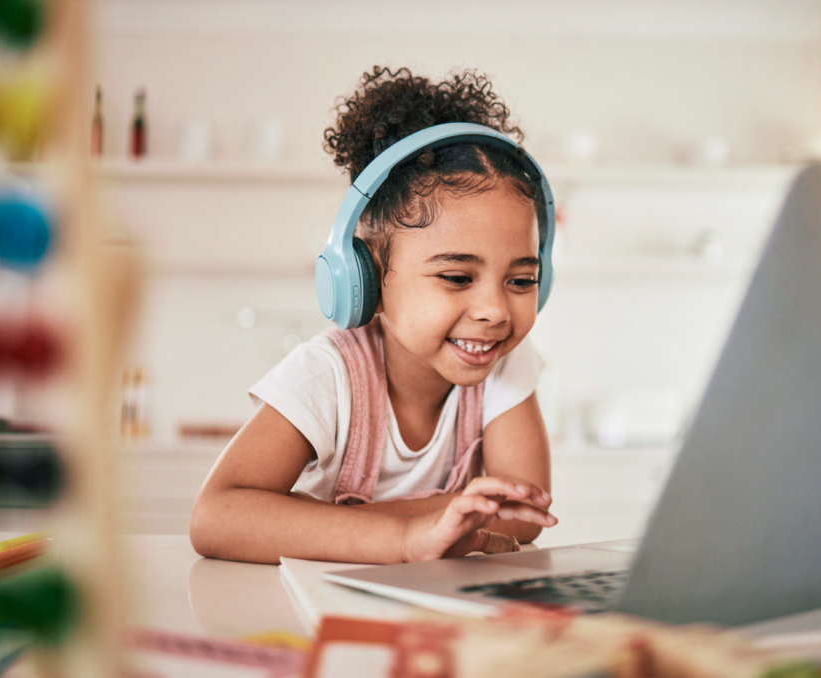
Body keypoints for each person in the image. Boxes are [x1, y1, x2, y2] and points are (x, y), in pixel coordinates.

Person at [190, 66, 557, 565]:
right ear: (366, 278)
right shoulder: (328, 374)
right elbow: (217, 517)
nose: (494, 311)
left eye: (521, 281)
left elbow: (522, 511)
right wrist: (411, 539)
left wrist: (304, 520)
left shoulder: (507, 363)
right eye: (455, 277)